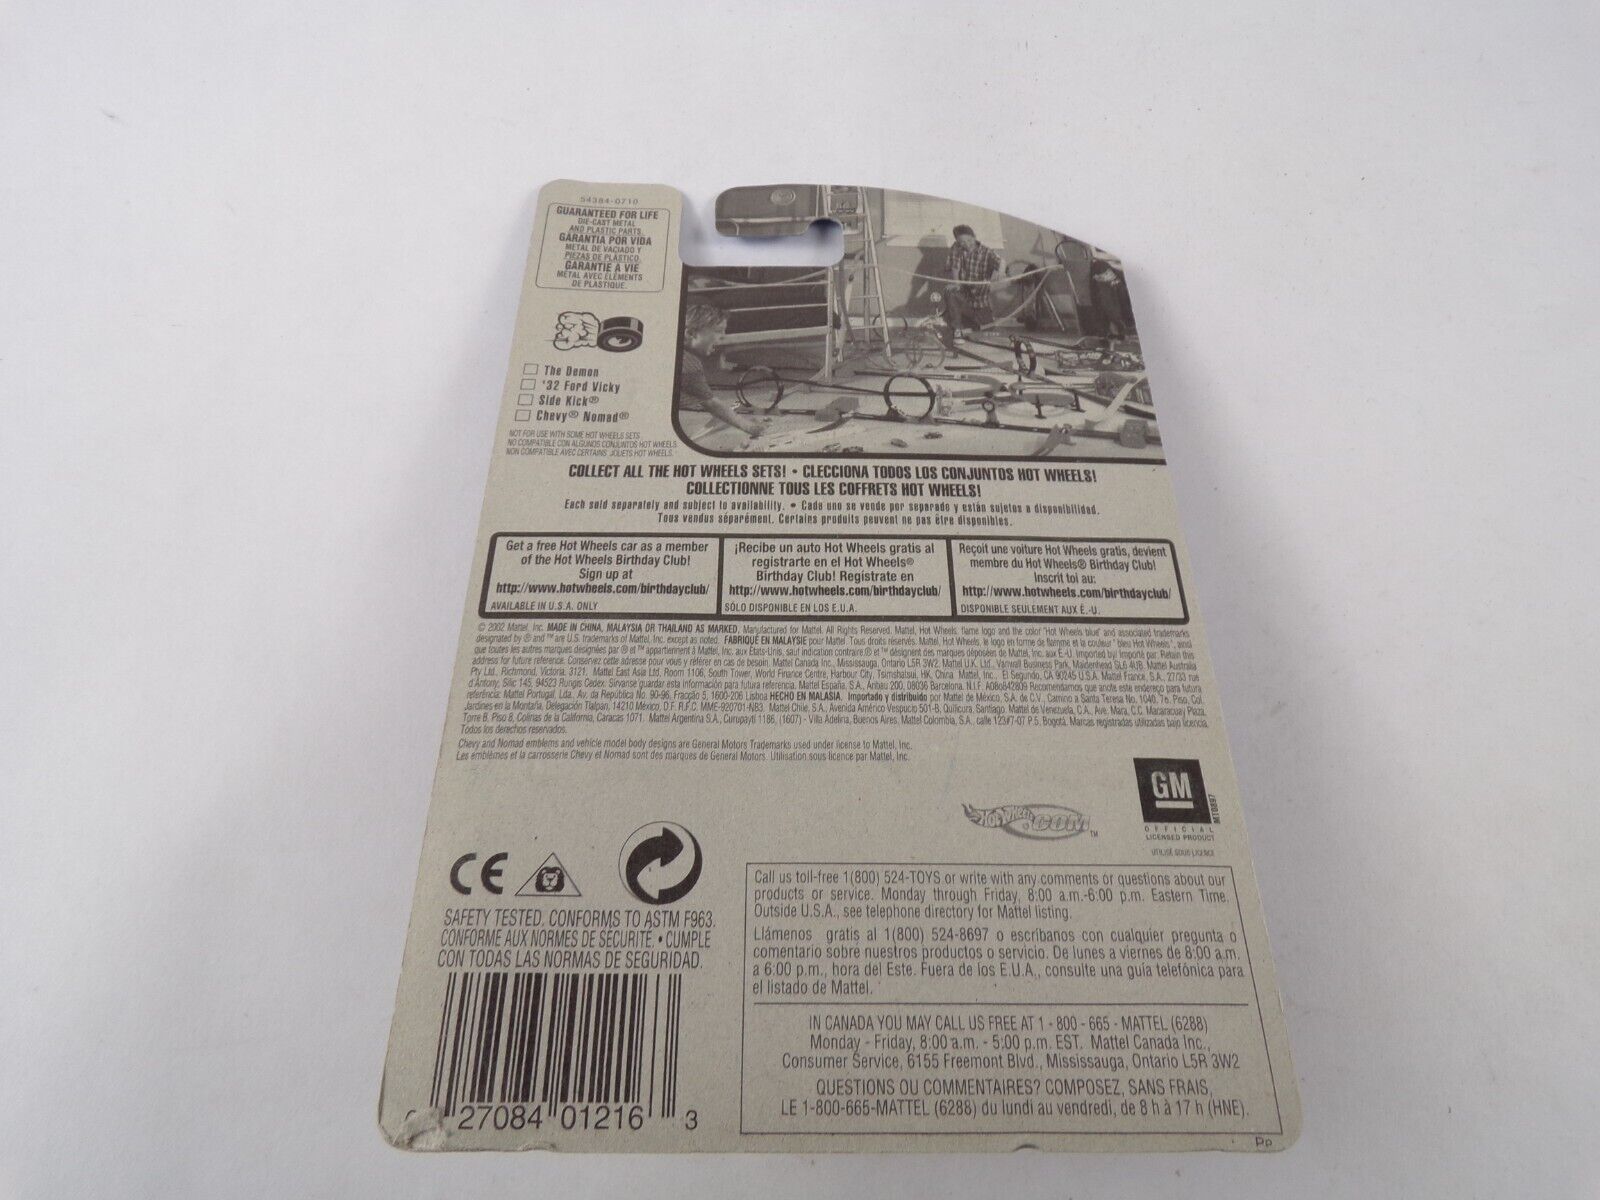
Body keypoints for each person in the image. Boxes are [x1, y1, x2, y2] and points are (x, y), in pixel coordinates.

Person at [678, 306, 765, 437]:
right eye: (718, 331)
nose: (723, 336)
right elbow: (711, 403)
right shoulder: (689, 365)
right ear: (691, 333)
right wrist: (749, 426)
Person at [942, 224, 1002, 344]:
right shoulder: (956, 248)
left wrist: (1000, 271)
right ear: (958, 242)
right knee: (950, 292)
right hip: (964, 297)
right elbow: (955, 267)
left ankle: (968, 327)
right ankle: (957, 330)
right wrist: (956, 284)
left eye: (969, 240)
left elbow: (1001, 261)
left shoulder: (986, 251)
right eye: (962, 242)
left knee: (988, 331)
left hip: (980, 301)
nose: (966, 244)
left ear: (974, 237)